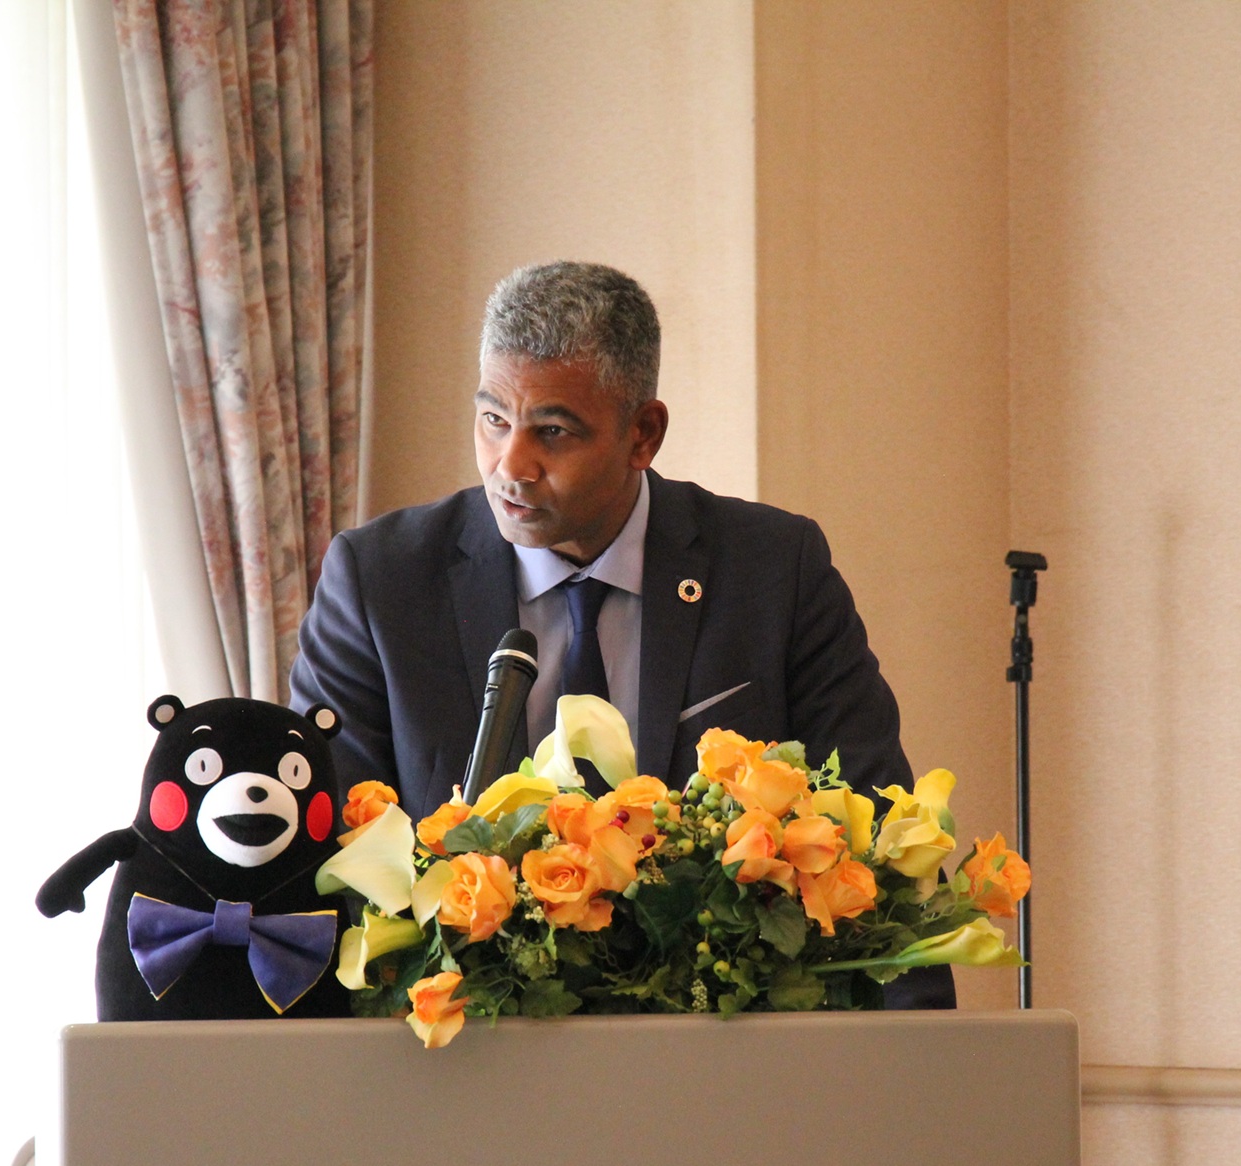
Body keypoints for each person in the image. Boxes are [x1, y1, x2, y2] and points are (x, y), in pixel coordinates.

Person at [291, 261, 952, 1006]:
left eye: (552, 432)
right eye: (493, 420)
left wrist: (918, 1055)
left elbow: (877, 831)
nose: (511, 465)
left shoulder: (773, 570)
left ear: (643, 434)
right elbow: (319, 853)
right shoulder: (380, 582)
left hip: (721, 1039)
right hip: (464, 1043)